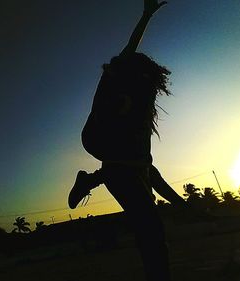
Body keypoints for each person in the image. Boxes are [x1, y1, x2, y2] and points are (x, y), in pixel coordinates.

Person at [70, 1, 177, 280]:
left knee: (152, 228)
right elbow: (127, 51)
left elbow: (150, 171)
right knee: (150, 229)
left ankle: (91, 179)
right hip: (100, 143)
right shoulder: (113, 83)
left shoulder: (142, 116)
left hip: (128, 164)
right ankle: (96, 177)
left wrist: (184, 205)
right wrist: (146, 16)